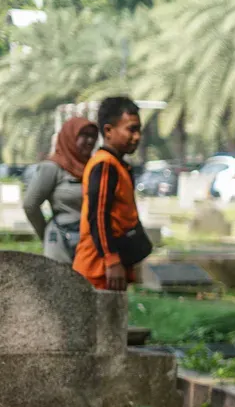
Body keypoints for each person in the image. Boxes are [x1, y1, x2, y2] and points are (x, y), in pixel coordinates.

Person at [74, 97, 149, 291]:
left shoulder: (118, 164)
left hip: (110, 267)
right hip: (98, 268)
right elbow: (98, 216)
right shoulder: (105, 165)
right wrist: (111, 260)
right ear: (108, 131)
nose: (137, 137)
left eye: (139, 130)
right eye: (131, 129)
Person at [22, 117, 98, 263]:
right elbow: (30, 205)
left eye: (93, 136)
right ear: (69, 137)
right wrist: (47, 234)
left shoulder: (94, 168)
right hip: (61, 244)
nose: (89, 141)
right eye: (84, 135)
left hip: (89, 243)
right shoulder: (52, 168)